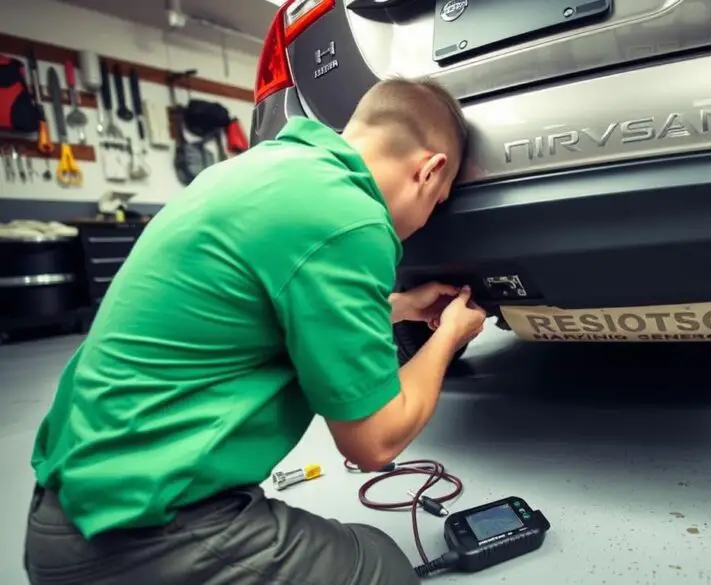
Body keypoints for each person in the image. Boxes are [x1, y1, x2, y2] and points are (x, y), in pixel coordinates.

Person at [23, 77, 487, 585]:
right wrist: (449, 337)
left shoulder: (256, 172)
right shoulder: (352, 220)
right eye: (437, 201)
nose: (426, 219)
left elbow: (269, 305)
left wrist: (396, 307)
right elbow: (373, 443)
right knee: (384, 566)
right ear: (429, 169)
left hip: (66, 511)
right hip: (142, 534)